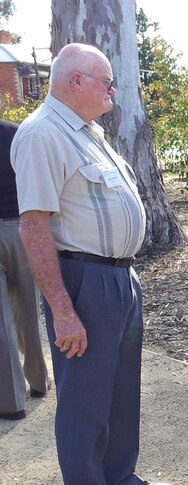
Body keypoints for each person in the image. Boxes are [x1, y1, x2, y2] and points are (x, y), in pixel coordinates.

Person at [11, 43, 163, 485]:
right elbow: (34, 228)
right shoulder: (42, 135)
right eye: (106, 81)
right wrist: (61, 309)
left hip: (118, 278)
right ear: (76, 81)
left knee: (118, 396)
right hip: (83, 281)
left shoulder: (86, 133)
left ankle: (118, 477)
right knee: (85, 405)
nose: (112, 90)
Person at [1, 119, 50, 421]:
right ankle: (39, 381)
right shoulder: (18, 132)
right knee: (28, 310)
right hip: (21, 228)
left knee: (1, 323)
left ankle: (11, 402)